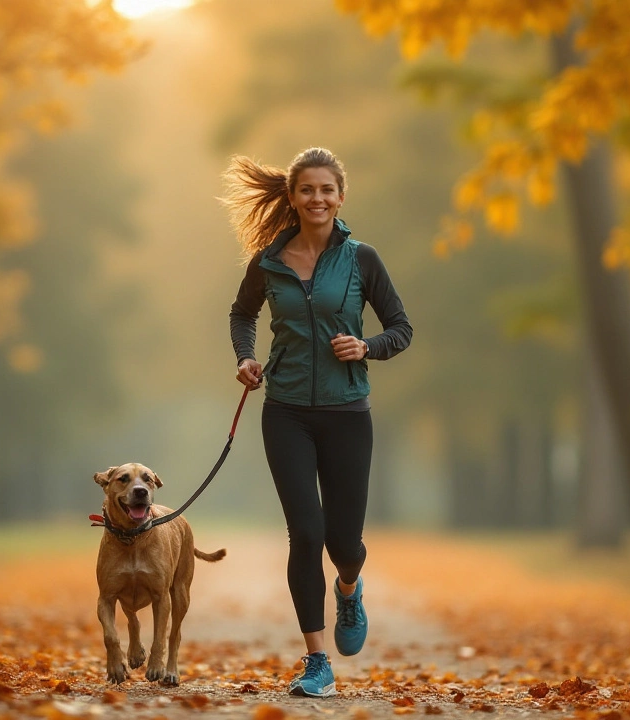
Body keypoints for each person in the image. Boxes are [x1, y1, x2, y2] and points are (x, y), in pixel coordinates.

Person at [222, 147, 413, 698]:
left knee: (344, 543)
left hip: (347, 414)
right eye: (307, 189)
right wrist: (245, 357)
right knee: (305, 533)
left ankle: (349, 589)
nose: (317, 198)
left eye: (327, 189)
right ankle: (316, 660)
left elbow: (401, 328)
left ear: (341, 196)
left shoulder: (362, 259)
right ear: (293, 196)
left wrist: (366, 346)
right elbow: (242, 314)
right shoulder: (268, 262)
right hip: (284, 411)